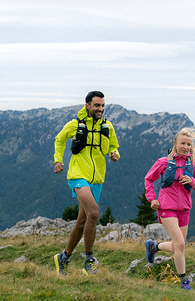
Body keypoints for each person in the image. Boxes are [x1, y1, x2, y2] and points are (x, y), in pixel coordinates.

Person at [52, 91, 120, 276]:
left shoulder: (107, 126)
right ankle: (89, 260)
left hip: (97, 178)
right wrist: (58, 160)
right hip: (77, 175)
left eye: (103, 105)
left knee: (82, 222)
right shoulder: (75, 125)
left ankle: (64, 258)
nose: (101, 109)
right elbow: (60, 140)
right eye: (97, 105)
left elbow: (114, 146)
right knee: (95, 212)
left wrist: (115, 154)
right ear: (88, 105)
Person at [143, 128, 195, 290]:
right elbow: (149, 179)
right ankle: (184, 281)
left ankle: (153, 247)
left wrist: (191, 180)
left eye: (189, 144)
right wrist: (152, 199)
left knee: (178, 245)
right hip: (166, 208)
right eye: (183, 143)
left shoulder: (194, 164)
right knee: (180, 244)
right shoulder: (163, 162)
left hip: (184, 209)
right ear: (175, 144)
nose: (186, 147)